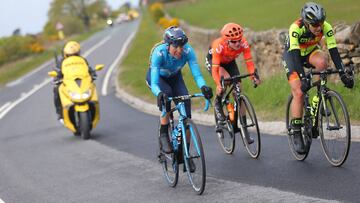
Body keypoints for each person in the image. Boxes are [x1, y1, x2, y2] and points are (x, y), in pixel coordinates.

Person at [282, 2, 354, 154]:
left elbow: (333, 50)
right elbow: (295, 55)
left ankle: (317, 100)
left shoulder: (326, 27)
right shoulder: (296, 28)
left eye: (320, 23)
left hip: (310, 52)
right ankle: (296, 131)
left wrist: (342, 74)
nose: (318, 27)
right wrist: (303, 78)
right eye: (315, 25)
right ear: (307, 23)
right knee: (299, 92)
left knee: (323, 62)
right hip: (292, 56)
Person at [146, 26, 213, 155]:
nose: (179, 50)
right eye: (176, 47)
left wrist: (204, 87)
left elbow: (197, 75)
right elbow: (154, 83)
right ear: (168, 45)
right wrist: (159, 93)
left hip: (175, 77)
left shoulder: (188, 51)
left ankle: (184, 152)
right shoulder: (159, 53)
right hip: (158, 79)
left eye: (182, 46)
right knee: (166, 97)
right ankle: (164, 134)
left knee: (186, 108)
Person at [205, 23, 261, 144]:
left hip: (230, 62)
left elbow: (249, 62)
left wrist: (253, 77)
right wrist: (218, 85)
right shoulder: (218, 46)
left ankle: (244, 130)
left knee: (239, 89)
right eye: (234, 41)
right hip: (215, 62)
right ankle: (218, 103)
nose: (238, 43)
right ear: (226, 41)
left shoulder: (243, 43)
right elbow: (215, 70)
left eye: (239, 40)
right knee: (226, 78)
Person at [53, 41, 97, 123]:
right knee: (56, 89)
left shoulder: (82, 60)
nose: (73, 56)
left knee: (92, 85)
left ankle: (93, 106)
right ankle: (60, 113)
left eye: (75, 54)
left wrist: (93, 73)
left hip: (81, 81)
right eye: (70, 55)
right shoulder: (61, 62)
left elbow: (88, 68)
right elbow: (57, 71)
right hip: (68, 83)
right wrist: (57, 78)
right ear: (65, 54)